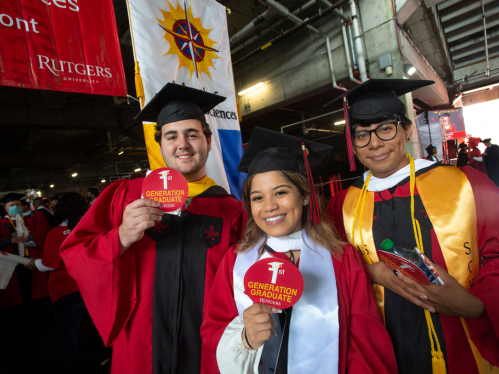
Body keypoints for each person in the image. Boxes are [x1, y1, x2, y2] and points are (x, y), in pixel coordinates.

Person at [60, 83, 246, 374]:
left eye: (192, 134)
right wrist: (120, 237)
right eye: (171, 136)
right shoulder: (126, 195)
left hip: (208, 349)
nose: (182, 144)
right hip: (141, 345)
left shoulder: (231, 210)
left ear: (208, 141)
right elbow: (75, 252)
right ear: (161, 145)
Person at [325, 79, 499, 374]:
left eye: (385, 129)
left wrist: (476, 305)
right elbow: (332, 270)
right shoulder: (342, 204)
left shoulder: (464, 183)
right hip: (382, 351)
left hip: (461, 343)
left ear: (407, 130)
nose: (375, 143)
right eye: (362, 135)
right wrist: (369, 271)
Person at [201, 127, 397, 374]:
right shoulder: (235, 261)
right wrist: (244, 338)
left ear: (304, 196)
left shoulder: (341, 259)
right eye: (257, 198)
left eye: (280, 193)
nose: (270, 206)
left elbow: (365, 344)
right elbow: (212, 332)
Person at [25, 193, 110, 373]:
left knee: (67, 333)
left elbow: (50, 264)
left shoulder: (55, 233)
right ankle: (102, 356)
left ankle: (67, 366)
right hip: (91, 287)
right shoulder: (93, 229)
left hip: (64, 290)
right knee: (96, 326)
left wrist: (35, 263)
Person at [0, 193, 48, 308]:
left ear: (22, 206)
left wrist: (30, 237)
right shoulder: (1, 223)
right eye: (11, 205)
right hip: (11, 262)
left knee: (35, 293)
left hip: (32, 261)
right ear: (6, 209)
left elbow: (44, 233)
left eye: (17, 204)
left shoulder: (32, 219)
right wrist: (10, 240)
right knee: (14, 294)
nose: (15, 207)